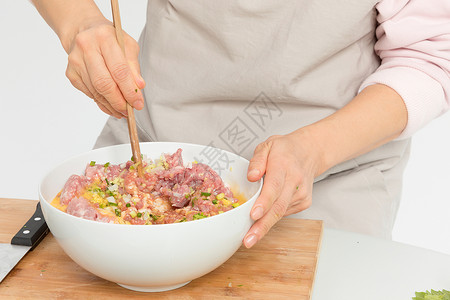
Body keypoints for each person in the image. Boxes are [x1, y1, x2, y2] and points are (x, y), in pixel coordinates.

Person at [32, 0, 450, 248]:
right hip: (148, 156)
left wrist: (315, 151)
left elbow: (430, 57)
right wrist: (80, 24)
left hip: (326, 177)